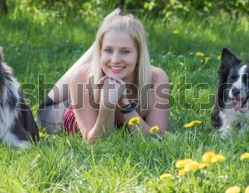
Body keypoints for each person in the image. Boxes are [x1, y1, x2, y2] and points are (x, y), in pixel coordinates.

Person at [37, 9, 169, 142]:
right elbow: (95, 142)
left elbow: (157, 138)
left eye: (125, 51)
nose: (115, 59)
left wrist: (124, 104)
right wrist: (107, 105)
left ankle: (100, 45)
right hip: (60, 112)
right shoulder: (81, 77)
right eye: (108, 50)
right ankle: (95, 47)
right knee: (46, 105)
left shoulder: (156, 78)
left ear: (139, 55)